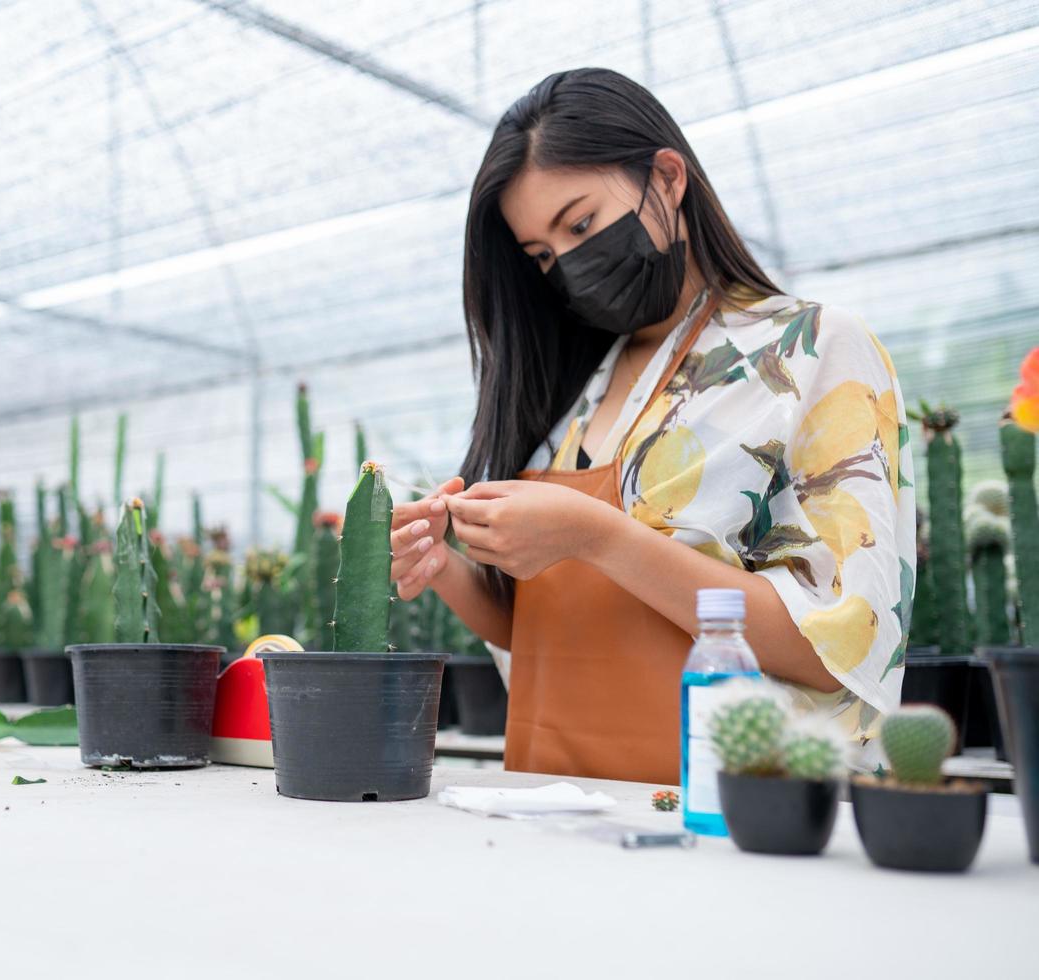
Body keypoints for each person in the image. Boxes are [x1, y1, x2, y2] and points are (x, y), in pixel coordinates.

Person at [390, 68, 915, 783]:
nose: (570, 267)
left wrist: (596, 534)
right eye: (543, 256)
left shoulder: (812, 351)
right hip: (554, 805)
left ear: (668, 178)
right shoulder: (578, 387)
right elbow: (549, 634)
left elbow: (839, 642)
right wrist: (444, 567)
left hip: (728, 821)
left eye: (581, 225)